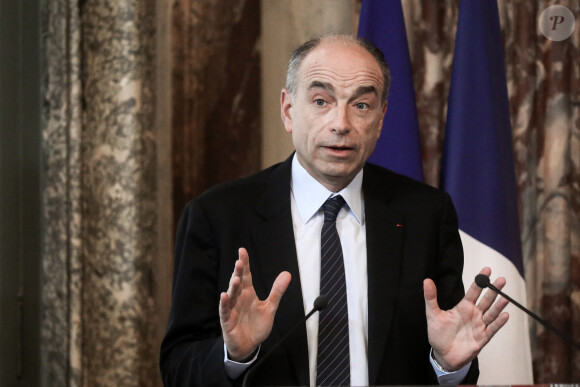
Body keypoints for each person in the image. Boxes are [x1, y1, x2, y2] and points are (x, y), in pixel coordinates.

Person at [160, 34, 509, 386]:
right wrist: (234, 355)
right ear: (288, 110)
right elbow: (177, 368)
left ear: (381, 118)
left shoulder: (425, 215)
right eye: (321, 101)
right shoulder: (217, 216)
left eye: (361, 105)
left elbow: (455, 357)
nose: (341, 124)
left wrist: (447, 365)